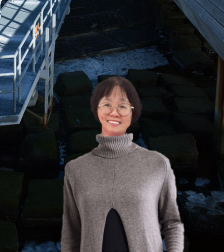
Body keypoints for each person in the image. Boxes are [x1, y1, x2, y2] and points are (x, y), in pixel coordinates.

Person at [61, 75, 184, 252]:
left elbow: (172, 224)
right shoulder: (75, 169)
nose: (114, 112)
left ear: (133, 112)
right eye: (107, 104)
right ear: (97, 109)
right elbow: (71, 232)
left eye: (123, 106)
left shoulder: (157, 164)